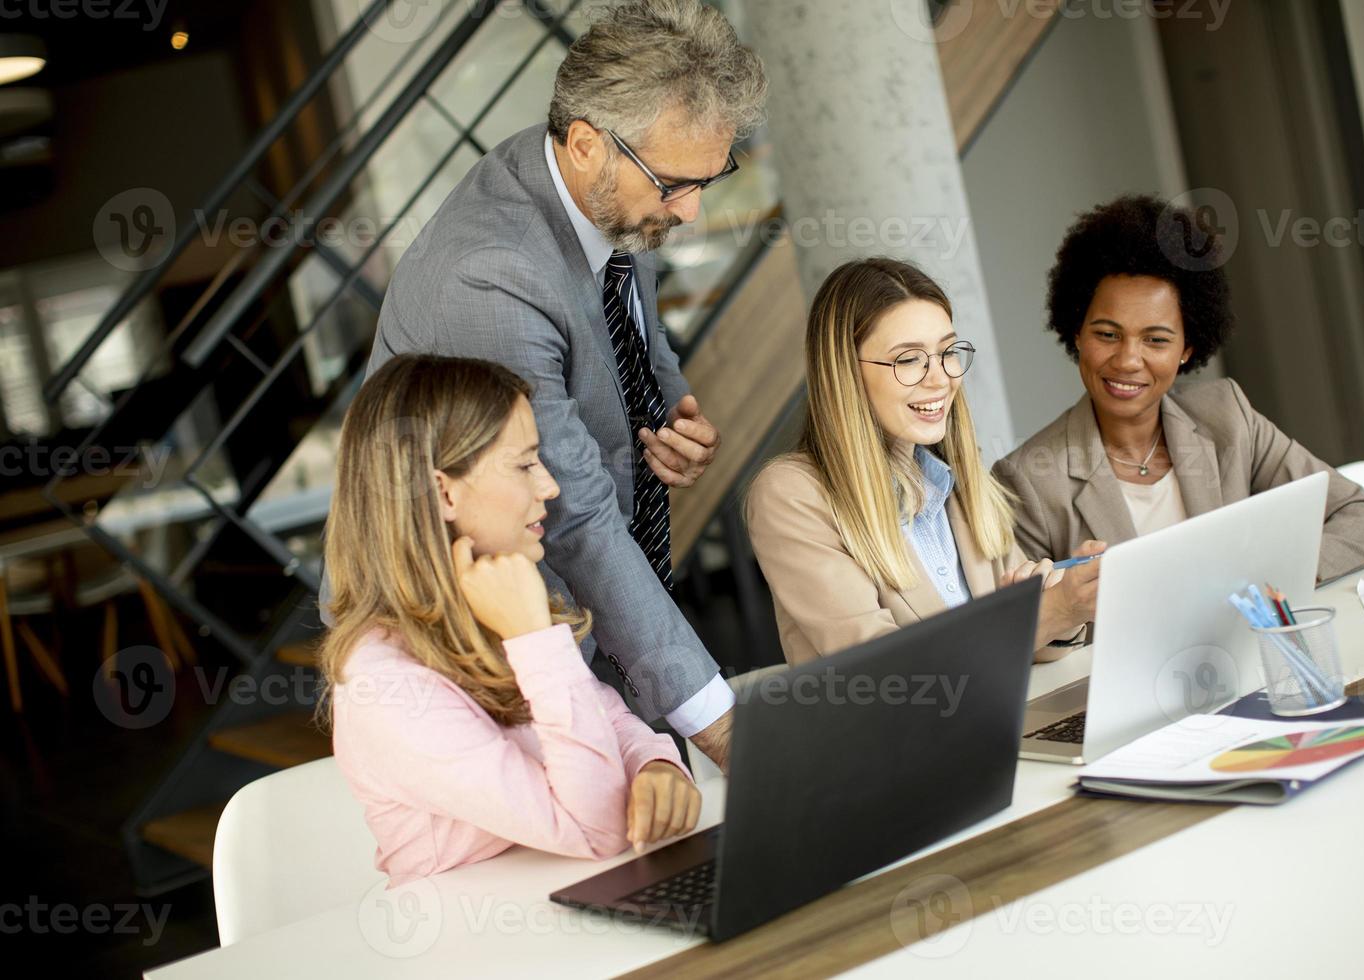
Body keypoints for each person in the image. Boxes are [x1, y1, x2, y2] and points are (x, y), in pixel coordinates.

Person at [359, 0, 768, 768]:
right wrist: (720, 723)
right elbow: (575, 513)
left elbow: (637, 327)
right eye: (679, 185)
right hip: (480, 648)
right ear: (585, 145)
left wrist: (668, 410)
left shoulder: (609, 184)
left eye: (711, 179)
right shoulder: (490, 279)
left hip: (588, 610)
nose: (693, 210)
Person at [319, 355, 700, 886]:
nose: (549, 488)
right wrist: (536, 641)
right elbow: (596, 828)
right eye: (524, 465)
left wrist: (654, 766)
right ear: (445, 492)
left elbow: (611, 723)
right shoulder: (385, 683)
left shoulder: (496, 604)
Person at [992, 194, 1364, 583]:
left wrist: (1262, 578)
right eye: (1107, 334)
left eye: (1156, 340)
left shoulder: (1226, 417)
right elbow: (1035, 631)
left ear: (1187, 349)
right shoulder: (1028, 480)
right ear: (1077, 334)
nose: (1128, 360)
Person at [745, 258, 1101, 665]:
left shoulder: (954, 480)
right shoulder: (791, 493)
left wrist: (1066, 604)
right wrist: (1039, 618)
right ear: (845, 372)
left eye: (947, 352)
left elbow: (1035, 649)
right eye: (909, 359)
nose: (941, 378)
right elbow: (885, 671)